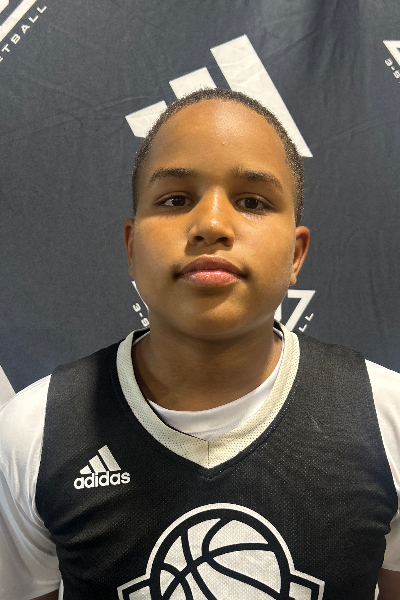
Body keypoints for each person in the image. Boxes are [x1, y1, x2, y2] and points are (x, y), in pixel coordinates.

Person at [0, 88, 399, 600]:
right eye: (175, 200)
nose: (210, 225)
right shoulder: (34, 432)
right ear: (131, 246)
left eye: (252, 202)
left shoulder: (386, 417)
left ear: (296, 254)